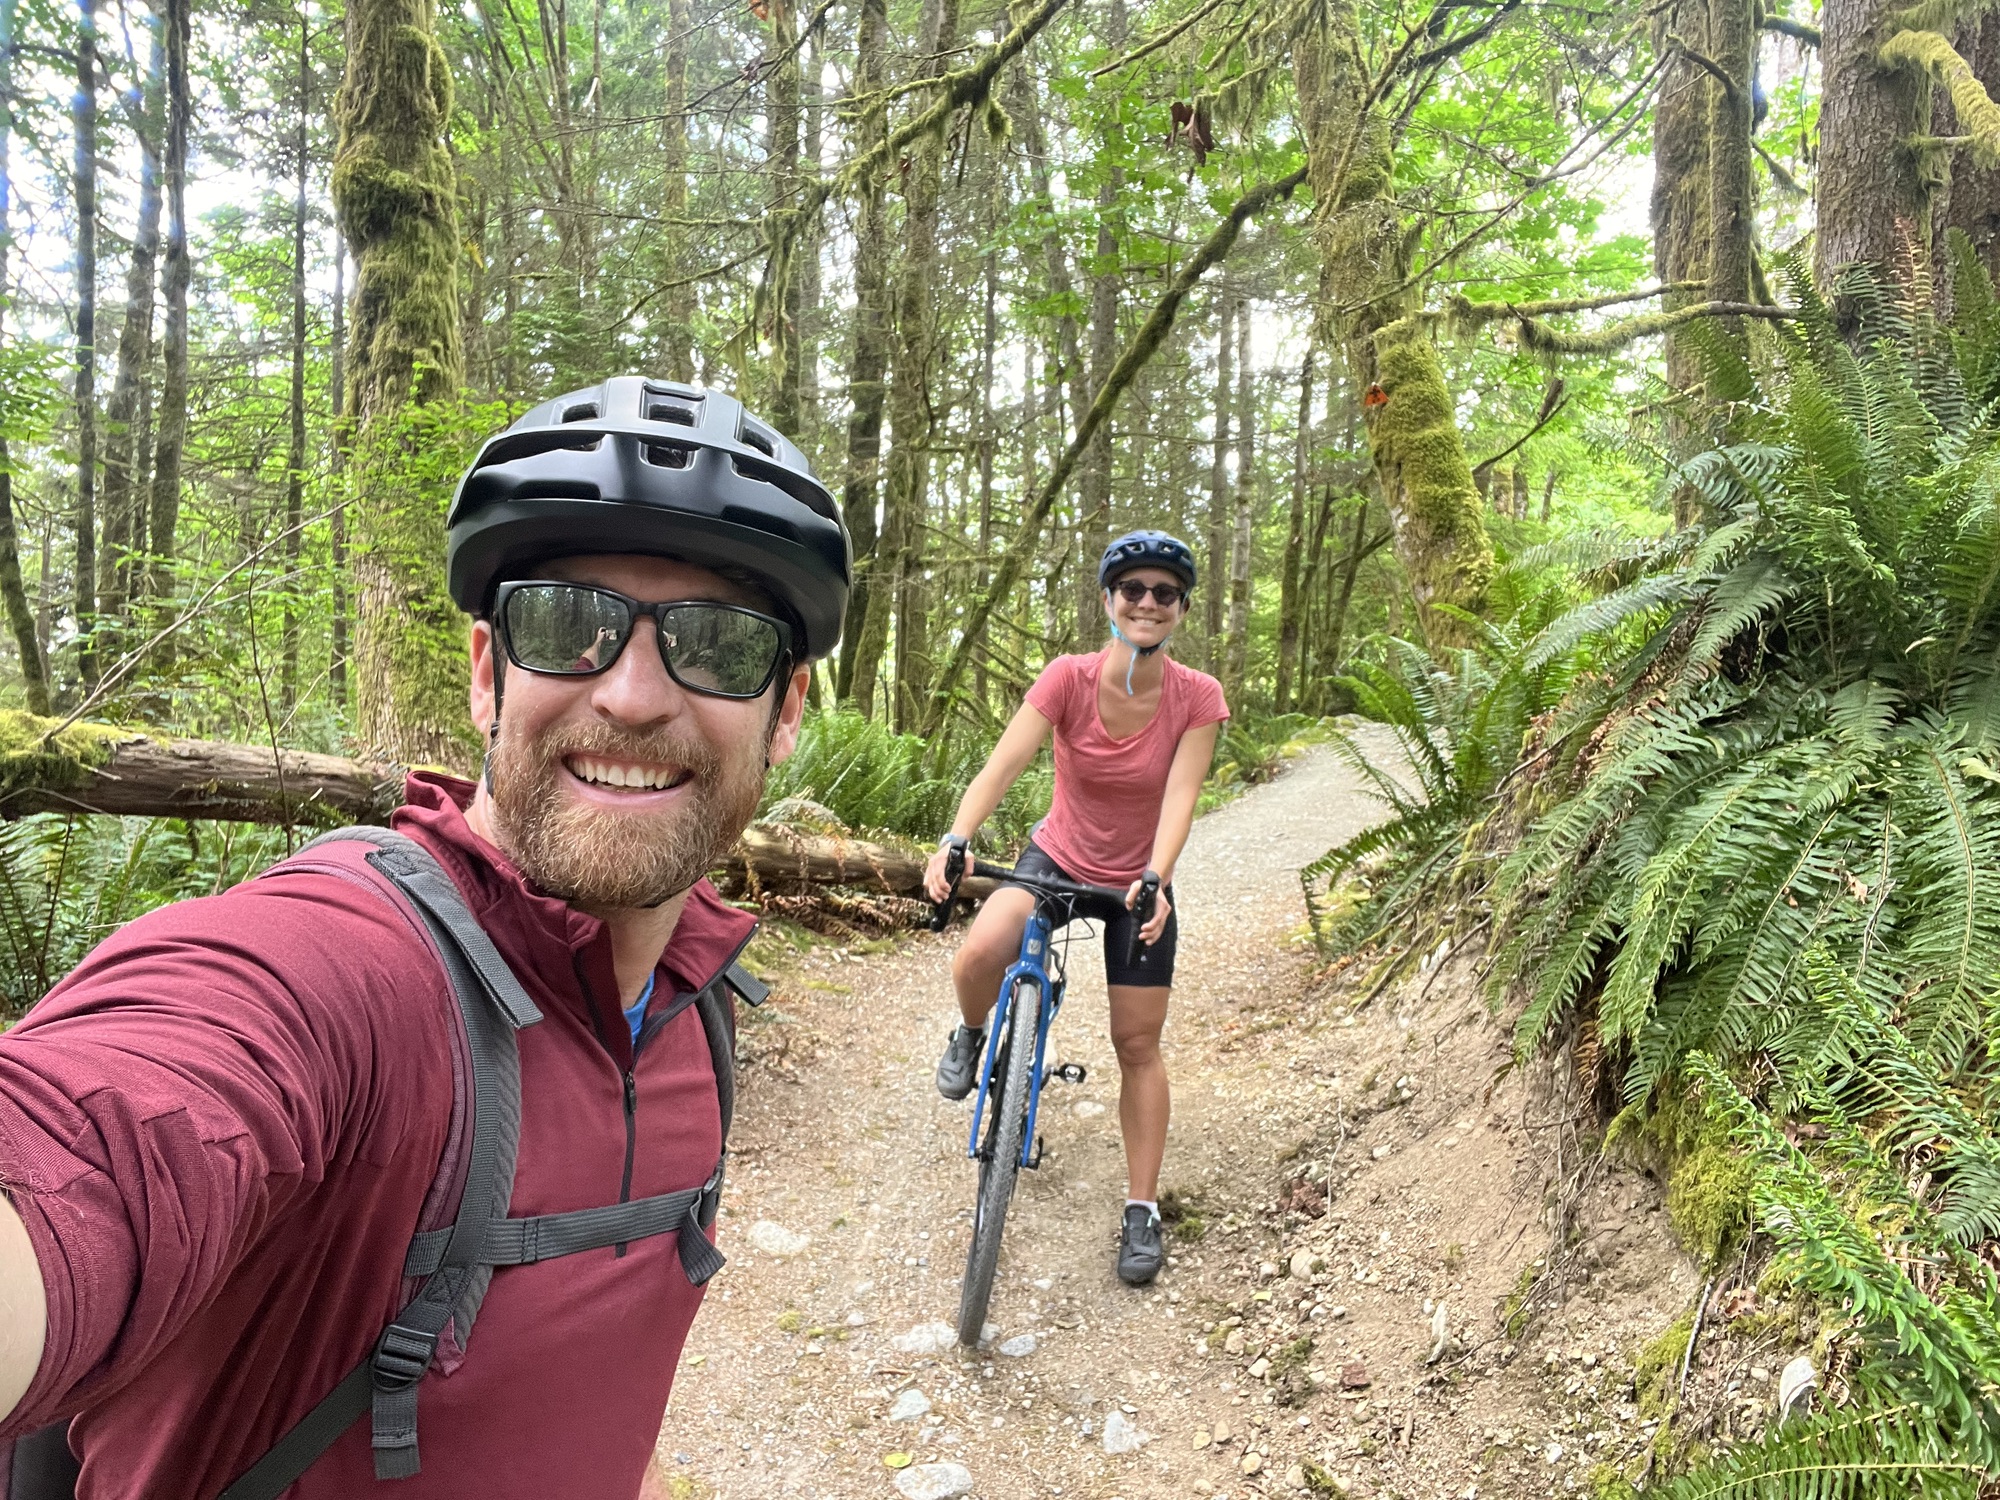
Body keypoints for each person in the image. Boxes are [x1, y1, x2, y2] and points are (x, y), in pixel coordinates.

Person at [0, 378, 849, 1498]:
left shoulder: (695, 1008)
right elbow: (102, 1127)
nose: (634, 696)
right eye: (567, 624)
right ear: (488, 673)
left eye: (721, 643)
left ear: (785, 711)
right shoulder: (344, 972)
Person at [921, 530, 1226, 1287]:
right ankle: (971, 1034)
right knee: (980, 952)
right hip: (1057, 856)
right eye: (1133, 590)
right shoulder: (1068, 677)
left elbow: (1182, 798)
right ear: (1109, 600)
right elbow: (1004, 764)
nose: (1147, 603)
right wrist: (957, 837)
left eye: (1164, 593)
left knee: (1137, 1044)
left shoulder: (1197, 697)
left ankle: (1141, 1210)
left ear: (1182, 608)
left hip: (1136, 882)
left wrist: (1157, 877)